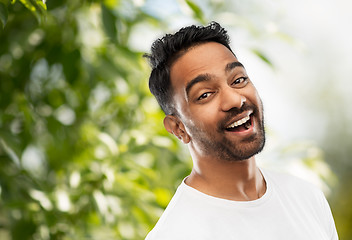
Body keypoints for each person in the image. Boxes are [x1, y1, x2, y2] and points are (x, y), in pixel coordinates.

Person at [144, 21, 338, 240]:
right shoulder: (175, 234)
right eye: (205, 94)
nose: (235, 100)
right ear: (178, 128)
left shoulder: (306, 197)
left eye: (238, 80)